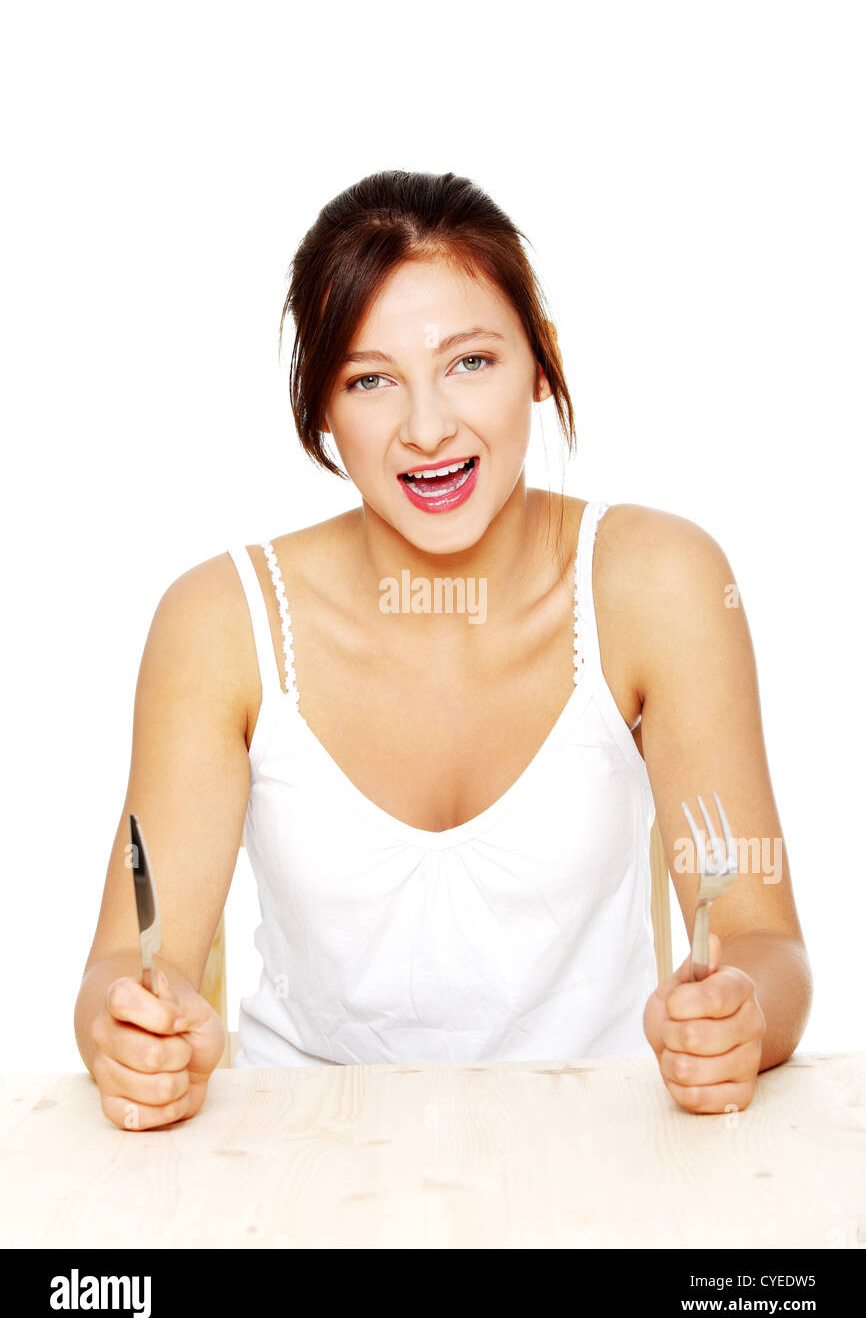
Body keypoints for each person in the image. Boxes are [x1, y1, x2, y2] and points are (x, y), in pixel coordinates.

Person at [74, 170, 812, 1131]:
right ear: (321, 414)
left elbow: (765, 941)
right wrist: (132, 1033)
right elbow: (127, 965)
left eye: (471, 361)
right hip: (299, 1155)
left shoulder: (662, 582)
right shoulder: (220, 621)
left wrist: (741, 1019)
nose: (428, 429)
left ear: (539, 365)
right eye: (370, 380)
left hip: (604, 1151)